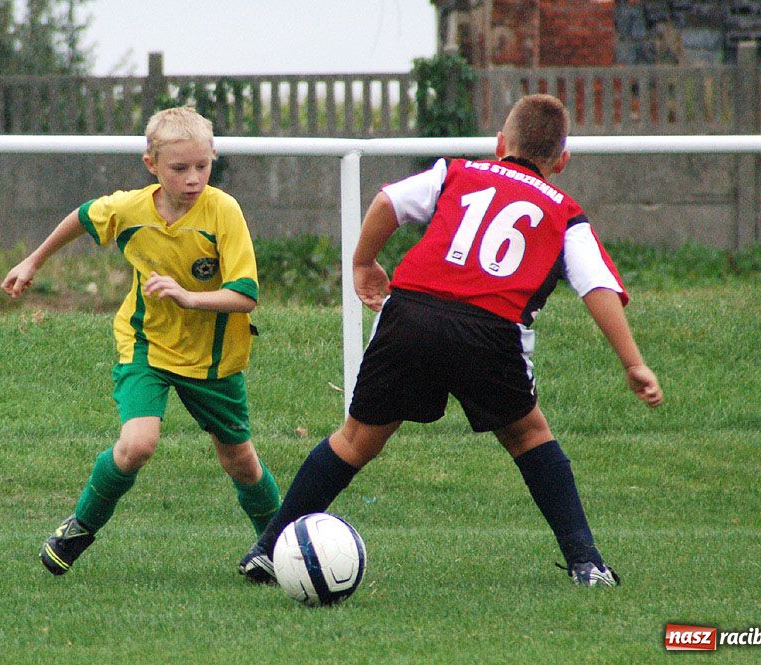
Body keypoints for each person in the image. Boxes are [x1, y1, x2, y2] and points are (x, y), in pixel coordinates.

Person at [239, 94, 663, 588]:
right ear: (562, 161)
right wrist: (632, 362)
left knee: (356, 439)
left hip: (411, 313)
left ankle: (268, 549)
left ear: (500, 143)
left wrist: (362, 262)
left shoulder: (457, 172)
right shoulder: (564, 212)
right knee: (529, 437)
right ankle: (586, 563)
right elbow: (597, 287)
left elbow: (388, 202)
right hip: (490, 329)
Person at [2, 106, 281, 576]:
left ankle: (278, 545)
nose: (193, 179)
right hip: (146, 345)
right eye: (179, 168)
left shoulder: (223, 211)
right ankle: (79, 530)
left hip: (214, 359)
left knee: (242, 463)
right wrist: (33, 261)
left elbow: (245, 296)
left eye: (202, 166)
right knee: (137, 445)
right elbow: (83, 216)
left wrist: (189, 298)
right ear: (151, 164)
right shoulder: (130, 209)